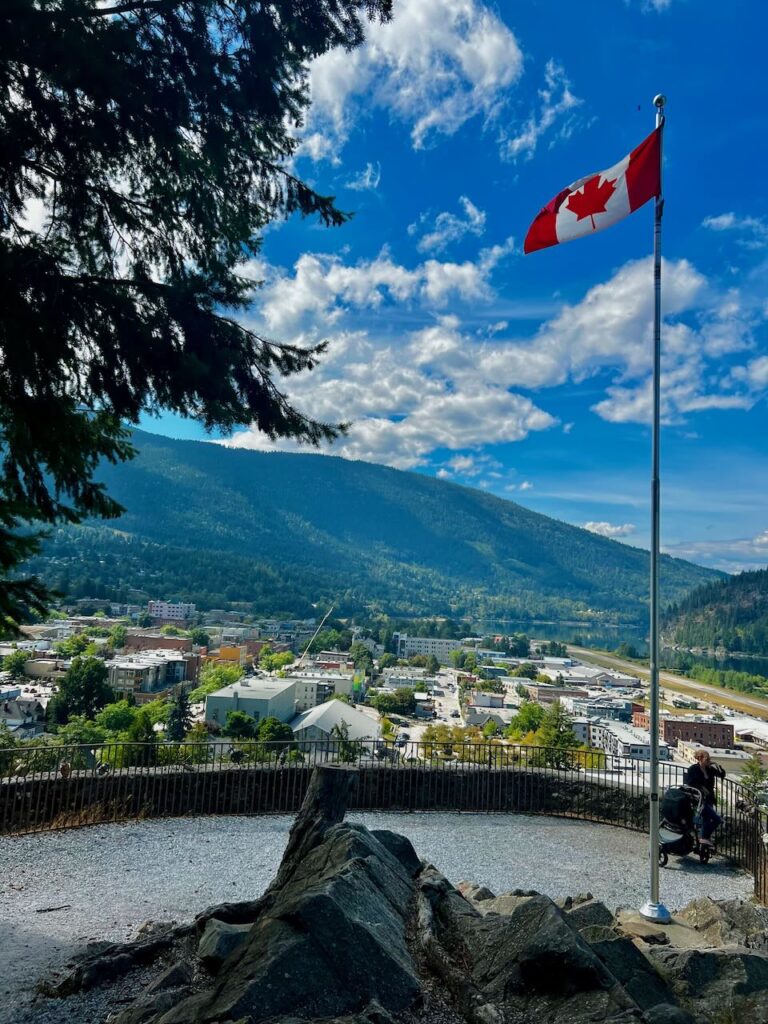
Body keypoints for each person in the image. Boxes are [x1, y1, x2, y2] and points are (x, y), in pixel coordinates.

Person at [684, 749, 726, 846]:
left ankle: (703, 839)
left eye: (709, 759)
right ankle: (703, 837)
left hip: (709, 798)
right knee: (716, 819)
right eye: (707, 759)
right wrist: (702, 789)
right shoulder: (693, 769)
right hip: (698, 799)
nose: (708, 761)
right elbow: (691, 783)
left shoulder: (710, 769)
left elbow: (722, 775)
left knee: (707, 819)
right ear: (700, 758)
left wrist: (716, 765)